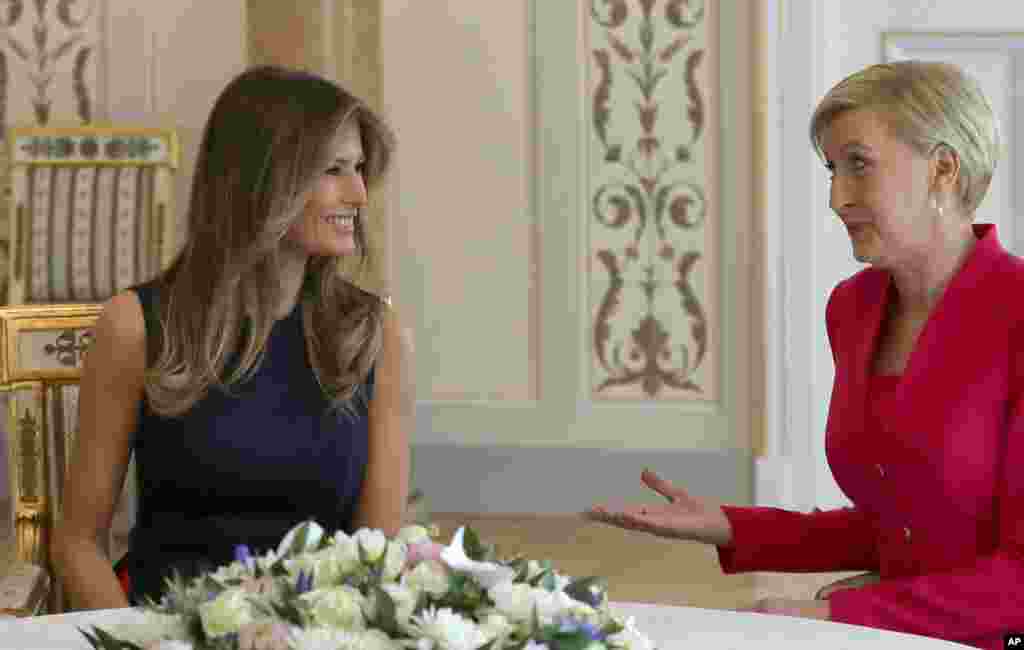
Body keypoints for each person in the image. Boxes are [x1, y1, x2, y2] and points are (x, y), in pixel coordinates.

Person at [586, 60, 1023, 649]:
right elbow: (903, 528)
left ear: (943, 168)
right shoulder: (854, 307)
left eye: (859, 166)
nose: (837, 198)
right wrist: (728, 525)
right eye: (831, 171)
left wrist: (845, 614)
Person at [50, 65, 414, 609]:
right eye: (332, 169)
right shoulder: (135, 324)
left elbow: (376, 553)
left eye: (359, 168)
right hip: (167, 632)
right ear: (262, 181)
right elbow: (78, 544)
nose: (359, 193)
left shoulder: (373, 333)